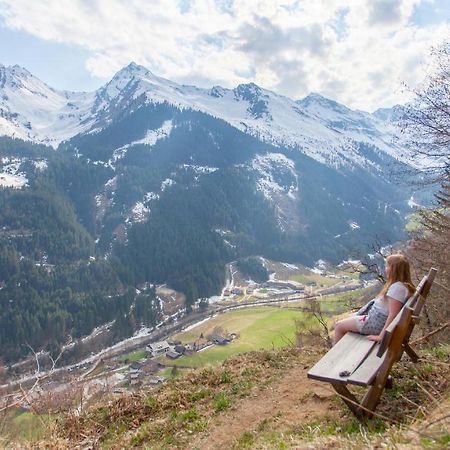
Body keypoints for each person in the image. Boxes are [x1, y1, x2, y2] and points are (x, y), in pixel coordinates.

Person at [334, 254, 415, 344]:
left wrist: (381, 336)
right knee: (349, 318)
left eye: (387, 266)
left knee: (339, 326)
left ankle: (334, 357)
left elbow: (393, 314)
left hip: (375, 324)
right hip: (376, 320)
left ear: (394, 269)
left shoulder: (397, 288)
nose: (385, 268)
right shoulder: (402, 286)